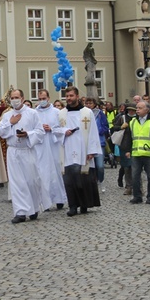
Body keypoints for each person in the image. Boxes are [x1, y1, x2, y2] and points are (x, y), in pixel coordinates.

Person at [0, 89, 50, 223]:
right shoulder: (7, 115)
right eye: (12, 97)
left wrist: (28, 134)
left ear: (22, 98)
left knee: (31, 180)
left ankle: (34, 208)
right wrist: (11, 123)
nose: (14, 99)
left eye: (17, 97)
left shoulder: (32, 113)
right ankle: (20, 212)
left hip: (27, 150)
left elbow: (39, 132)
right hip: (13, 151)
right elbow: (1, 132)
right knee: (17, 183)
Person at [58, 86, 102, 216]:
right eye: (67, 96)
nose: (69, 98)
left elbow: (93, 132)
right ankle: (72, 206)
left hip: (83, 150)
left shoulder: (87, 113)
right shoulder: (61, 114)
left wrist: (92, 151)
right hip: (67, 150)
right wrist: (63, 132)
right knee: (69, 180)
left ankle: (84, 205)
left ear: (77, 96)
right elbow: (56, 130)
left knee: (83, 179)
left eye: (71, 96)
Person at [34, 89, 67, 210]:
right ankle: (45, 201)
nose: (42, 101)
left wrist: (51, 128)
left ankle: (59, 199)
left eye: (44, 98)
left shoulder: (56, 112)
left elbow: (62, 128)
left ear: (48, 98)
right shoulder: (34, 113)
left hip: (53, 144)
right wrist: (40, 129)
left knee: (56, 171)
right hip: (40, 145)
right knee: (42, 172)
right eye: (40, 99)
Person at [112, 102, 137, 195]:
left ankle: (137, 186)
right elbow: (114, 128)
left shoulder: (138, 119)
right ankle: (129, 186)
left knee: (136, 167)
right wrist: (121, 127)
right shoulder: (122, 118)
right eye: (129, 110)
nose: (131, 112)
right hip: (125, 145)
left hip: (136, 145)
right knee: (127, 167)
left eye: (133, 110)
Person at [85, 98, 109, 193]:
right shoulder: (83, 113)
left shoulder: (100, 114)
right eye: (87, 103)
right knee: (90, 166)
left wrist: (97, 131)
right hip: (87, 143)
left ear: (94, 104)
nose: (88, 104)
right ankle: (92, 183)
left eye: (90, 103)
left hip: (99, 142)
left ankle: (101, 180)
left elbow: (106, 127)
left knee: (100, 166)